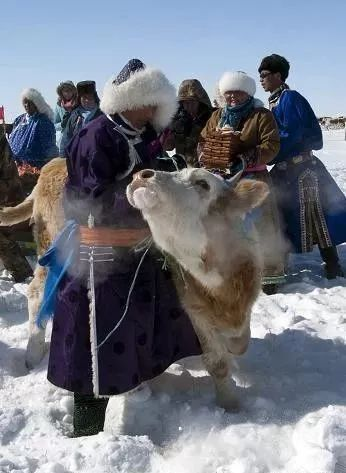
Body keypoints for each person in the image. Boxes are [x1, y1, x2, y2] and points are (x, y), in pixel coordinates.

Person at [44, 59, 201, 437]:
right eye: (152, 101)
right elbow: (89, 198)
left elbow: (148, 171)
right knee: (95, 343)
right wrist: (137, 192)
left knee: (142, 325)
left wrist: (168, 177)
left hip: (137, 250)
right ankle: (86, 430)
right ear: (135, 99)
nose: (156, 110)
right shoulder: (95, 135)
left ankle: (132, 381)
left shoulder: (138, 131)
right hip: (100, 256)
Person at [258, 54, 346, 279]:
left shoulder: (291, 98)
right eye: (260, 75)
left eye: (265, 75)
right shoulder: (275, 101)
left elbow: (292, 134)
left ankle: (333, 265)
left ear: (278, 75)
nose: (261, 79)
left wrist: (268, 153)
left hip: (304, 169)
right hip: (285, 169)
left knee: (317, 215)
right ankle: (280, 263)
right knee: (280, 213)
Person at [199, 71, 286, 293]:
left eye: (237, 92)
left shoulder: (261, 116)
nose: (232, 97)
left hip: (254, 179)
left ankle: (270, 275)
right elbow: (202, 139)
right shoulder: (217, 116)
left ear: (247, 93)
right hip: (222, 181)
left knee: (261, 225)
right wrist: (206, 154)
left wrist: (246, 157)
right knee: (226, 227)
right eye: (228, 93)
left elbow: (272, 145)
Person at [8, 88, 58, 195]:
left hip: (35, 169)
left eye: (30, 103)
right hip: (17, 167)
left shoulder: (43, 122)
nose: (27, 106)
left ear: (37, 104)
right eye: (25, 103)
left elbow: (49, 147)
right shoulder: (20, 120)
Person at [0, 125, 33, 282]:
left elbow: (6, 173)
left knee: (3, 236)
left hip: (5, 188)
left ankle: (23, 273)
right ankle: (23, 273)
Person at [163, 79, 213, 166]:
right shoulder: (177, 119)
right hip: (183, 170)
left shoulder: (212, 118)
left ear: (200, 102)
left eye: (192, 102)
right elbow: (169, 146)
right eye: (185, 103)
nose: (189, 106)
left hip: (205, 170)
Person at [60, 80, 102, 153]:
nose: (87, 100)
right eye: (84, 97)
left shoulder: (102, 115)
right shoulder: (74, 116)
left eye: (90, 97)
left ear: (95, 97)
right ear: (79, 98)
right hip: (77, 156)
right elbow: (66, 138)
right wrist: (63, 155)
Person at [54, 81, 77, 152]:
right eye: (65, 91)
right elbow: (54, 125)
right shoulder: (58, 105)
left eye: (70, 90)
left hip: (78, 137)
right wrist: (62, 124)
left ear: (73, 91)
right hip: (64, 139)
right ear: (61, 92)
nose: (67, 93)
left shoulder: (79, 103)